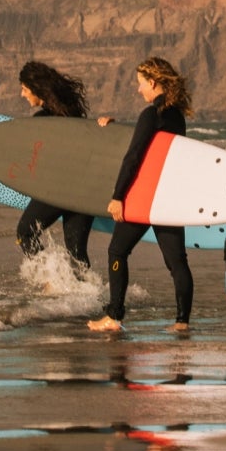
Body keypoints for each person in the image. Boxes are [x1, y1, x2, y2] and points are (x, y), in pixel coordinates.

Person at [85, 58, 196, 334]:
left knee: (117, 251)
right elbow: (154, 148)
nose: (138, 90)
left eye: (140, 84)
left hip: (145, 196)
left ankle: (114, 316)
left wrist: (118, 196)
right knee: (177, 261)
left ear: (153, 83)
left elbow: (134, 156)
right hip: (169, 196)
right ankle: (182, 322)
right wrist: (117, 128)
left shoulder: (151, 115)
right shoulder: (175, 117)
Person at [12, 61, 95, 267]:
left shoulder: (43, 120)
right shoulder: (72, 114)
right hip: (83, 189)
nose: (22, 94)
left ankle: (51, 275)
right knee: (77, 250)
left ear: (36, 88)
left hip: (58, 188)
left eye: (24, 89)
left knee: (24, 233)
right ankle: (88, 294)